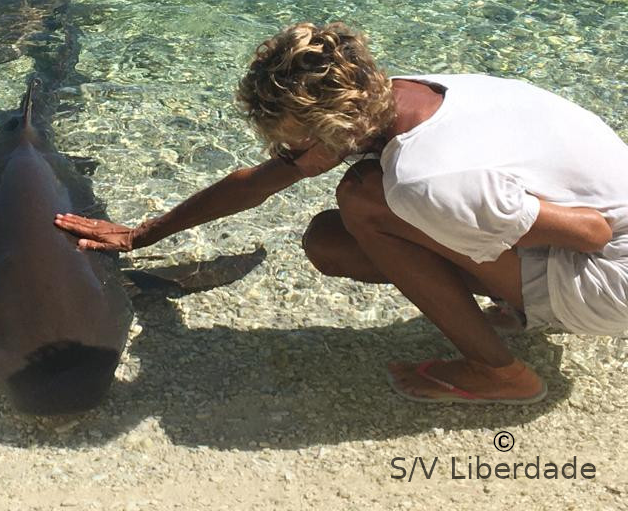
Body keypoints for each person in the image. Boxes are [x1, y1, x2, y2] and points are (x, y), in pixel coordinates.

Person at [54, 21, 628, 404]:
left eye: (290, 144)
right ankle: (514, 298)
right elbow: (257, 184)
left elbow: (593, 231)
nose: (282, 157)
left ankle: (503, 374)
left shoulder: (424, 176)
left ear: (334, 129)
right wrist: (142, 234)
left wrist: (475, 216)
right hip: (581, 235)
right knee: (332, 239)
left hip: (609, 272)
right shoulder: (402, 95)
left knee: (365, 200)